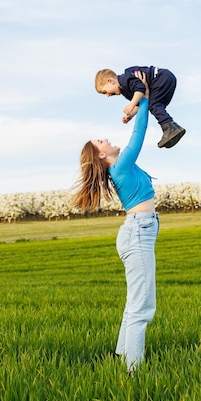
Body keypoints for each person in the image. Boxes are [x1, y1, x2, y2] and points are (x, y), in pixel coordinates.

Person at [73, 71, 159, 372]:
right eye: (101, 141)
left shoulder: (119, 168)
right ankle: (134, 374)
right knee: (142, 307)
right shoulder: (120, 166)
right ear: (101, 156)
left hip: (137, 232)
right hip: (138, 232)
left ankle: (122, 357)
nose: (107, 139)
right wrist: (144, 98)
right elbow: (140, 134)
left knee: (134, 302)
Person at [95, 65, 186, 149]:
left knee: (154, 105)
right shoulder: (125, 90)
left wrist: (131, 104)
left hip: (161, 78)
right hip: (164, 79)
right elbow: (140, 102)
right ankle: (174, 127)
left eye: (105, 92)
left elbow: (140, 89)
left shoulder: (124, 80)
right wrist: (130, 115)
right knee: (154, 105)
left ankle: (170, 128)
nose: (107, 95)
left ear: (110, 81)